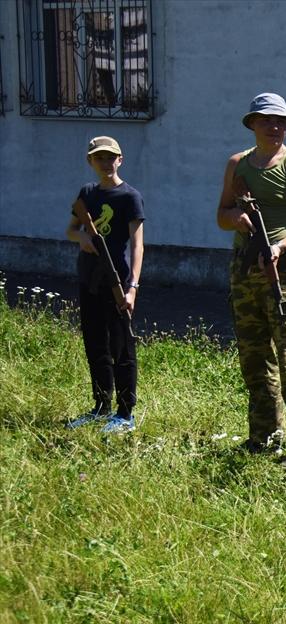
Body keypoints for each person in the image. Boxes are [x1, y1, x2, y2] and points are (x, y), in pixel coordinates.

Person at [216, 93, 286, 466]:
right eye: (266, 120)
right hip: (245, 270)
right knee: (254, 357)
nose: (274, 126)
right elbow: (221, 214)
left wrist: (281, 245)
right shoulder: (237, 165)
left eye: (280, 121)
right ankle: (264, 436)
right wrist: (236, 219)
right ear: (252, 124)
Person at [65, 135, 145, 435]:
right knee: (95, 344)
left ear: (120, 160)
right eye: (99, 157)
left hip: (117, 281)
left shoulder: (129, 197)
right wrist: (82, 237)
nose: (105, 162)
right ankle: (101, 407)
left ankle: (125, 413)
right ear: (90, 161)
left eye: (110, 157)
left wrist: (132, 287)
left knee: (121, 346)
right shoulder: (86, 193)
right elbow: (71, 230)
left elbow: (137, 245)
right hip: (90, 279)